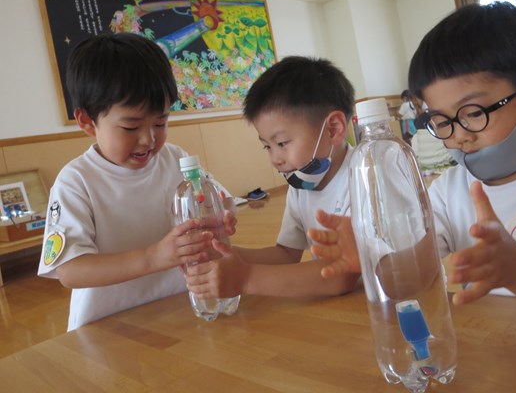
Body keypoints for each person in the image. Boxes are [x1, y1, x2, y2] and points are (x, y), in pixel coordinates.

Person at [309, 2, 516, 325]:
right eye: (442, 121)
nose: (459, 136)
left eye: (473, 113)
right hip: (489, 345)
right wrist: (374, 262)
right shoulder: (448, 191)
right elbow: (414, 277)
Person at [38, 33, 236, 331]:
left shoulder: (175, 158)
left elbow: (221, 199)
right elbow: (70, 270)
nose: (149, 139)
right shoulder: (76, 182)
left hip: (177, 308)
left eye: (160, 122)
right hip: (107, 326)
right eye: (131, 127)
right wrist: (155, 256)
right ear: (87, 122)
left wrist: (222, 217)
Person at [184, 56, 361, 300]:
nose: (275, 159)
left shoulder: (364, 177)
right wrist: (222, 253)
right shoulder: (301, 186)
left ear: (333, 129)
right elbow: (286, 254)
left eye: (282, 143)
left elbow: (343, 274)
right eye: (267, 146)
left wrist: (245, 278)